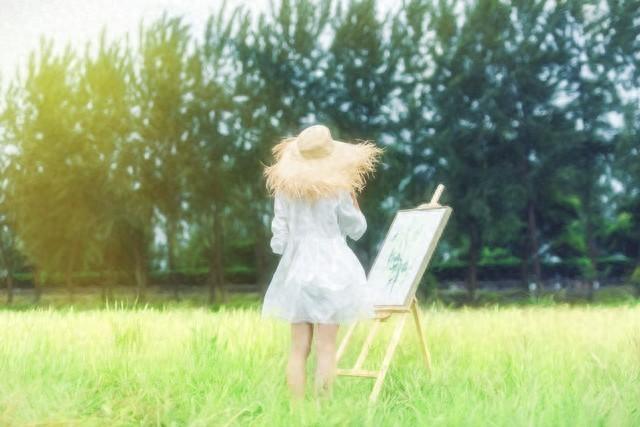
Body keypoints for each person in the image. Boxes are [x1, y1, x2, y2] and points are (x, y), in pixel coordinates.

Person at [261, 124, 383, 401]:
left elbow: (278, 241)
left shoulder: (284, 189)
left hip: (297, 270)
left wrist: (295, 244)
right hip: (332, 270)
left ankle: (296, 412)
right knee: (326, 348)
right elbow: (357, 229)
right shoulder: (338, 189)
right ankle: (322, 411)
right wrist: (354, 202)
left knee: (298, 349)